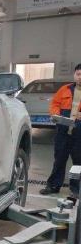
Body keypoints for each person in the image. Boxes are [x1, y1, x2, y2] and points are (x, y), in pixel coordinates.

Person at [40, 63, 81, 196]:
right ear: (74, 75)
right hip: (63, 132)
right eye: (78, 74)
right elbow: (55, 104)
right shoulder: (65, 89)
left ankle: (75, 188)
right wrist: (55, 115)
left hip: (79, 134)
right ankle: (53, 185)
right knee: (59, 160)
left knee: (78, 163)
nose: (80, 77)